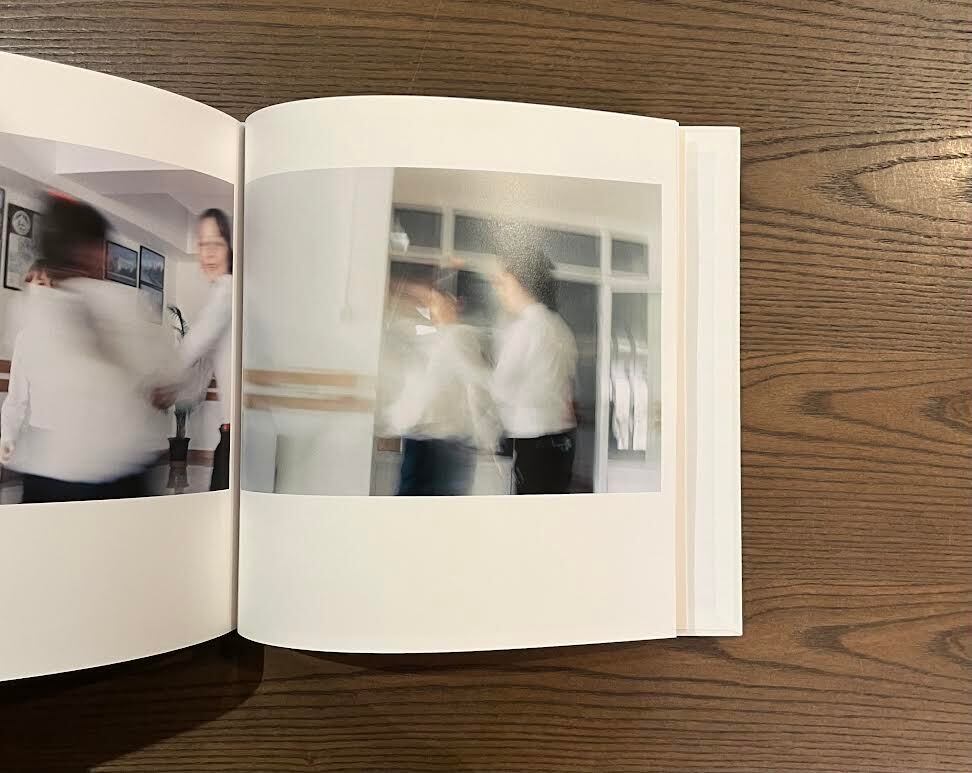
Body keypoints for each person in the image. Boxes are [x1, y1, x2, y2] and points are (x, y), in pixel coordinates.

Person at [1, 194, 164, 502]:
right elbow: (17, 398)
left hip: (60, 472)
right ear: (96, 251)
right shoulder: (123, 305)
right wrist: (7, 437)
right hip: (95, 472)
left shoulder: (31, 310)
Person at [385, 283, 497, 496]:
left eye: (435, 302)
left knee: (427, 505)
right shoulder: (435, 340)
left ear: (454, 304)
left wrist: (485, 435)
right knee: (414, 505)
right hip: (424, 438)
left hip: (444, 443)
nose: (431, 309)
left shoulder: (458, 336)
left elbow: (476, 383)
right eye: (429, 304)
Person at [153, 208, 233, 491]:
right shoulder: (226, 292)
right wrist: (177, 392)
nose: (208, 254)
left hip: (242, 436)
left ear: (232, 248)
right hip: (234, 432)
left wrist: (161, 383)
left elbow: (196, 342)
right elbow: (205, 365)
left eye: (217, 244)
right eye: (202, 244)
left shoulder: (228, 290)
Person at [491, 250, 578, 494]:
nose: (500, 291)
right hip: (563, 439)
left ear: (521, 283)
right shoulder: (560, 327)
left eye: (504, 283)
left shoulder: (524, 329)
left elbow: (499, 388)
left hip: (533, 442)